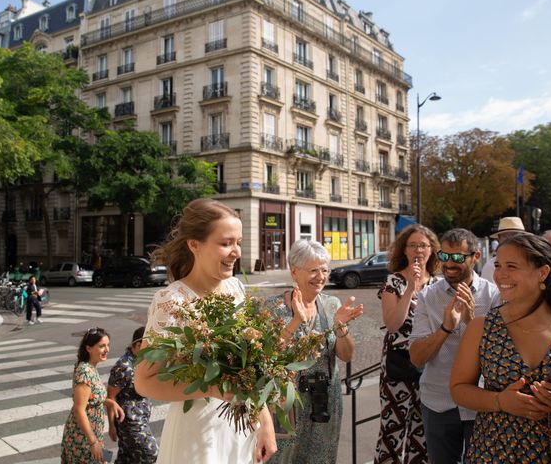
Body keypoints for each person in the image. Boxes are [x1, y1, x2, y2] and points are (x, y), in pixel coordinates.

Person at [134, 198, 277, 463]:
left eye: (238, 243)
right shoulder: (172, 301)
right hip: (198, 436)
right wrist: (210, 389)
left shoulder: (236, 288)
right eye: (226, 243)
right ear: (194, 244)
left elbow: (250, 369)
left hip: (242, 431)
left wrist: (265, 422)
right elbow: (144, 382)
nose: (236, 252)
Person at [450, 233, 551, 462]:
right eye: (498, 265)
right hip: (494, 452)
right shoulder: (481, 327)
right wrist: (499, 401)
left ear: (543, 273)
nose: (500, 275)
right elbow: (458, 388)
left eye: (512, 266)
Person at [263, 239, 363, 464]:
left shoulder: (332, 304)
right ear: (294, 271)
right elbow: (268, 358)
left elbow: (346, 355)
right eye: (314, 270)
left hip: (323, 400)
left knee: (321, 458)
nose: (321, 277)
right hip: (286, 402)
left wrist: (341, 329)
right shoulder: (273, 308)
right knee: (281, 458)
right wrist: (296, 321)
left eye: (325, 270)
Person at [409, 228, 500, 464]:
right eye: (444, 256)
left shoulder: (494, 296)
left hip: (481, 403)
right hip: (438, 402)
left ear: (475, 257)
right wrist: (445, 328)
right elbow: (417, 358)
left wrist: (471, 323)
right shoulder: (428, 296)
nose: (449, 264)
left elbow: (499, 357)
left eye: (458, 258)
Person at [374, 224, 440, 464]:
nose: (418, 250)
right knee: (393, 431)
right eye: (412, 245)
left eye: (423, 245)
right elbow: (392, 324)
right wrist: (411, 288)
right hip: (397, 366)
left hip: (430, 366)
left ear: (432, 250)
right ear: (404, 250)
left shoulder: (438, 284)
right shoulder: (394, 281)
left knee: (422, 433)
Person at [61, 327, 124, 463]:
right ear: (88, 348)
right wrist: (93, 442)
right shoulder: (85, 372)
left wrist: (111, 402)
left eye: (108, 345)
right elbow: (79, 410)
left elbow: (93, 398)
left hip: (92, 435)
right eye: (102, 346)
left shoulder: (91, 367)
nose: (107, 349)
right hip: (82, 439)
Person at [107, 326, 158, 464]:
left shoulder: (140, 362)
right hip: (130, 422)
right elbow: (110, 397)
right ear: (137, 345)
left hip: (140, 418)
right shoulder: (124, 366)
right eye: (149, 347)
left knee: (127, 458)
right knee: (151, 454)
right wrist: (111, 426)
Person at [480, 216, 526, 283]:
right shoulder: (490, 267)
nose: (511, 239)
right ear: (499, 239)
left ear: (524, 238)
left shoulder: (532, 263)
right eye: (506, 236)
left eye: (516, 235)